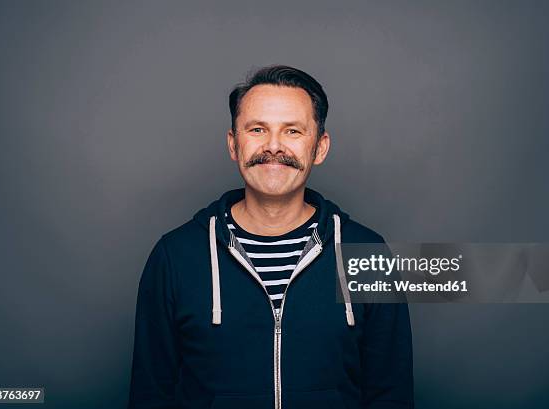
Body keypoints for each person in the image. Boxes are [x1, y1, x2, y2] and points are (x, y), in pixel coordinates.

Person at [128, 65, 413, 409]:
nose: (274, 146)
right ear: (234, 144)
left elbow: (391, 396)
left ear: (319, 148)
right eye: (258, 129)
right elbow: (150, 396)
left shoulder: (367, 254)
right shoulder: (174, 257)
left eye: (292, 131)